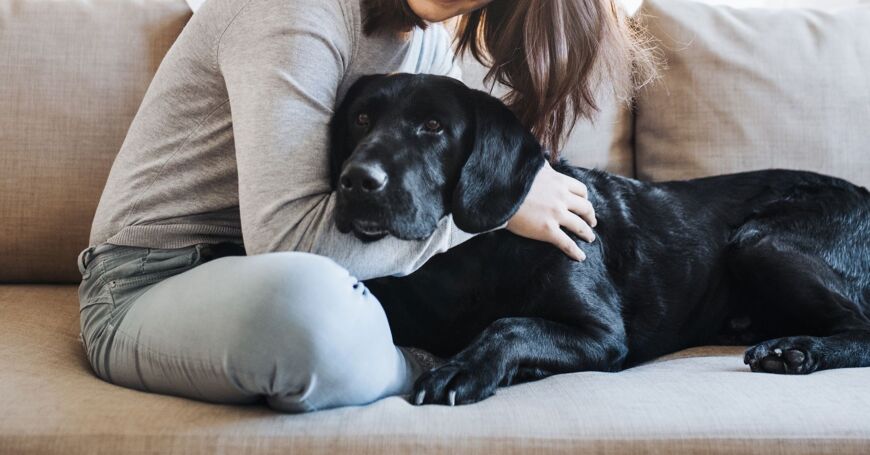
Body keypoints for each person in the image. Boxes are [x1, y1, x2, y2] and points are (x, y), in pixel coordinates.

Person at [77, 0, 654, 412]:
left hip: (278, 271)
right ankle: (421, 365)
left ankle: (414, 352)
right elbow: (288, 244)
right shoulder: (297, 12)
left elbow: (417, 211)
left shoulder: (425, 41)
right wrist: (499, 211)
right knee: (307, 310)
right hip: (150, 282)